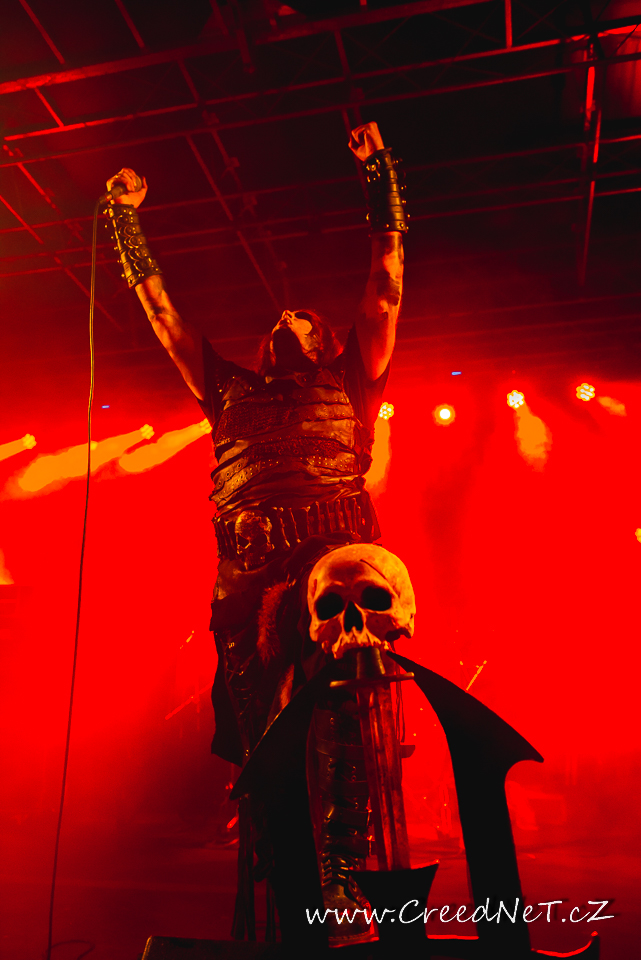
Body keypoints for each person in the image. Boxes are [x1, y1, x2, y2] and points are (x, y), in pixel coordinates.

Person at [104, 121, 407, 944]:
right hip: (246, 575)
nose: (285, 316)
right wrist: (125, 221)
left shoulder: (351, 378)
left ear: (323, 338)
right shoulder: (226, 390)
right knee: (263, 736)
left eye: (301, 316)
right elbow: (163, 314)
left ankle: (343, 875)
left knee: (338, 714)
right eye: (277, 317)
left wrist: (377, 175)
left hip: (333, 564)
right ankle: (285, 875)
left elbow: (383, 288)